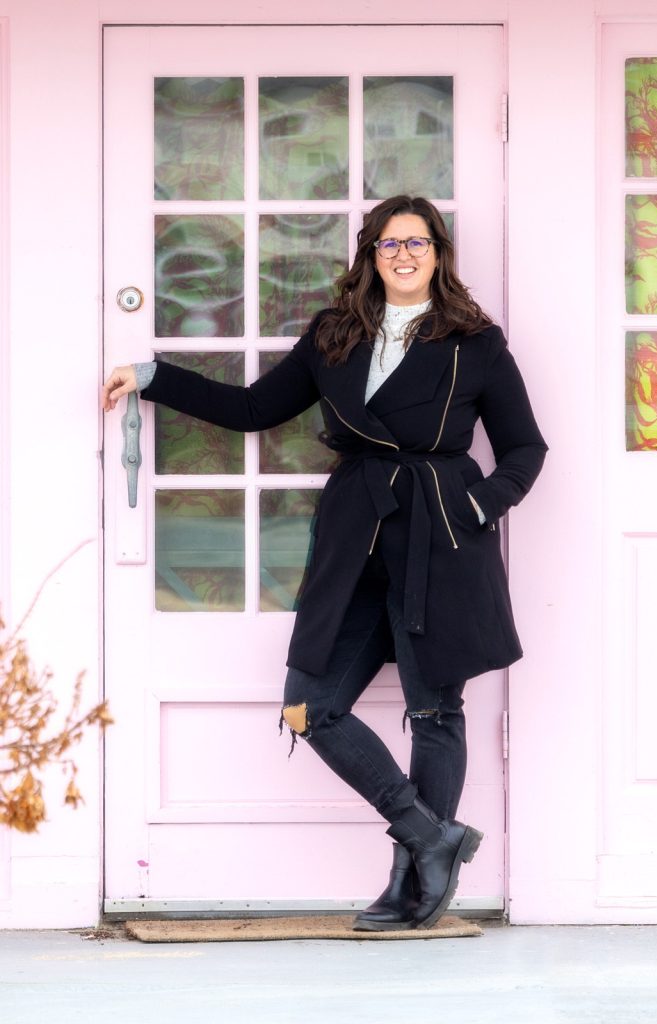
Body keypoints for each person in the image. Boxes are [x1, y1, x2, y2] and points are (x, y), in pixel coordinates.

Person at [102, 195, 547, 932]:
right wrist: (153, 376)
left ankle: (413, 881)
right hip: (356, 541)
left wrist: (476, 507)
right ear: (369, 257)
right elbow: (252, 410)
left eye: (418, 242)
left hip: (440, 540)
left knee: (434, 710)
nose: (404, 255)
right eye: (388, 245)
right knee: (310, 703)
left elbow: (525, 449)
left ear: (439, 252)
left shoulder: (477, 344)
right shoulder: (334, 335)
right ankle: (429, 835)